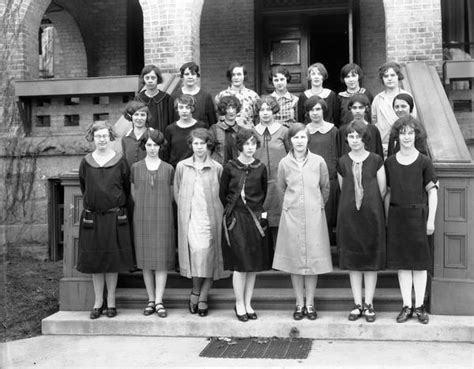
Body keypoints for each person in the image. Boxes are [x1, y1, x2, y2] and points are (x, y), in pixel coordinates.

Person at [273, 123, 332, 320]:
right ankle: (299, 303)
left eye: (303, 137)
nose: (299, 141)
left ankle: (310, 303)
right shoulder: (284, 163)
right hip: (292, 217)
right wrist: (290, 206)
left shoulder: (318, 161)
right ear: (290, 140)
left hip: (314, 216)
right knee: (296, 261)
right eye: (296, 138)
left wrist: (316, 206)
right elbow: (281, 188)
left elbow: (325, 187)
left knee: (313, 260)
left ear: (308, 139)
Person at [77, 121, 134, 319]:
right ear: (92, 138)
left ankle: (111, 302)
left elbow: (126, 188)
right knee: (95, 261)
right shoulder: (86, 162)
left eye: (105, 136)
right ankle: (97, 302)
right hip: (93, 217)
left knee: (112, 261)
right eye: (98, 136)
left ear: (110, 137)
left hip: (114, 217)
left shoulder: (120, 161)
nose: (102, 139)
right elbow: (85, 187)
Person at [385, 116, 438, 325]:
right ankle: (407, 305)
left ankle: (419, 307)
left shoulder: (424, 161)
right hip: (398, 217)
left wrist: (431, 220)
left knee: (419, 264)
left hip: (419, 217)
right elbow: (387, 193)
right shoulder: (390, 162)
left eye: (410, 133)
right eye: (403, 133)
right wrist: (387, 219)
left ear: (416, 135)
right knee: (403, 265)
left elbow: (432, 192)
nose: (406, 137)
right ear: (397, 136)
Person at [174, 128, 229, 317]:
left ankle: (203, 296)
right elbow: (177, 192)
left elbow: (223, 195)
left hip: (210, 220)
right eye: (195, 143)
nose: (199, 147)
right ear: (191, 145)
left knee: (209, 257)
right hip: (190, 220)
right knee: (196, 256)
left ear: (208, 145)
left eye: (202, 143)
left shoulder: (217, 168)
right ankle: (195, 290)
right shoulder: (182, 166)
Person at [336, 120, 386, 323]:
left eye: (358, 136)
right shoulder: (342, 162)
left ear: (365, 139)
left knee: (370, 261)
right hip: (349, 217)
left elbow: (382, 189)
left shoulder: (376, 160)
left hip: (372, 216)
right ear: (347, 139)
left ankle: (369, 304)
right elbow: (343, 188)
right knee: (353, 262)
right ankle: (357, 304)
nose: (355, 140)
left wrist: (369, 206)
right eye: (351, 136)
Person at [220, 129, 272, 322]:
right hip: (236, 220)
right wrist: (232, 214)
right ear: (239, 145)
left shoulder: (260, 167)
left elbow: (263, 193)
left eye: (253, 143)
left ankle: (248, 302)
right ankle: (239, 303)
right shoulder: (230, 167)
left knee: (252, 265)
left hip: (255, 220)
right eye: (246, 144)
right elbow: (222, 194)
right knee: (240, 265)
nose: (250, 147)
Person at [131, 129, 175, 318]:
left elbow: (173, 195)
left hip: (163, 216)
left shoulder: (169, 168)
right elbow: (133, 193)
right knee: (146, 261)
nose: (152, 148)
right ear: (144, 146)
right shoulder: (135, 167)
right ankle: (150, 299)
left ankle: (159, 300)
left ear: (160, 146)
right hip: (142, 217)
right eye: (148, 144)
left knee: (161, 260)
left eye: (155, 145)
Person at [254, 95, 289, 248]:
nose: (265, 112)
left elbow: (291, 155)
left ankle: (279, 254)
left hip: (279, 183)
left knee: (279, 217)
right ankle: (263, 255)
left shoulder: (284, 131)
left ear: (274, 110)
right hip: (258, 182)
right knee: (261, 216)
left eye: (268, 109)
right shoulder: (252, 132)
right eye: (262, 109)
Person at [305, 95, 339, 245]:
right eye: (311, 110)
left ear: (324, 110)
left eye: (318, 109)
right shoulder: (304, 131)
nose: (315, 113)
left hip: (330, 179)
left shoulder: (333, 130)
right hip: (310, 180)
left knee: (330, 217)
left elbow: (338, 154)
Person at [371, 62, 417, 155]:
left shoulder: (407, 96)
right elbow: (374, 123)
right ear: (382, 79)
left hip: (403, 144)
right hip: (383, 146)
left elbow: (413, 120)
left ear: (398, 76)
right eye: (386, 76)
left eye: (392, 75)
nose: (389, 78)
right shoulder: (378, 99)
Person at [163, 94, 207, 167]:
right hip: (176, 169)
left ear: (192, 109)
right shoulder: (170, 129)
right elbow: (166, 153)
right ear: (177, 109)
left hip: (196, 168)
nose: (184, 111)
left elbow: (205, 149)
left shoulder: (201, 126)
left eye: (187, 107)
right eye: (181, 107)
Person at [171, 62, 216, 127]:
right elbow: (171, 121)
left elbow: (212, 122)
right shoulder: (174, 96)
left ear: (197, 76)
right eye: (187, 74)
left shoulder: (206, 97)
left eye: (193, 74)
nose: (190, 77)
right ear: (182, 77)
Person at [215, 62, 259, 128]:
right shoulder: (221, 96)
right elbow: (218, 118)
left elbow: (258, 119)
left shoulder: (253, 96)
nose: (236, 77)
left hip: (248, 135)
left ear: (244, 76)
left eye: (239, 74)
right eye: (233, 75)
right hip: (226, 135)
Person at [337, 94, 383, 158]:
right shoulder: (343, 130)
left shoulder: (373, 130)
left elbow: (379, 154)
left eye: (361, 107)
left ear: (366, 108)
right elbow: (339, 154)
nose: (357, 111)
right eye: (354, 108)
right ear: (350, 109)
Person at [135, 64, 174, 133]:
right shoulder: (138, 99)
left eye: (153, 78)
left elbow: (171, 122)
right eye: (147, 78)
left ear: (158, 79)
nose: (150, 81)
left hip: (163, 140)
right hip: (144, 140)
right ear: (143, 79)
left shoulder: (167, 99)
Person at [209, 95, 241, 165]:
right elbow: (208, 150)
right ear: (223, 110)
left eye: (233, 108)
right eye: (228, 108)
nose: (231, 111)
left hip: (237, 170)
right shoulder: (214, 129)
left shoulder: (241, 130)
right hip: (219, 169)